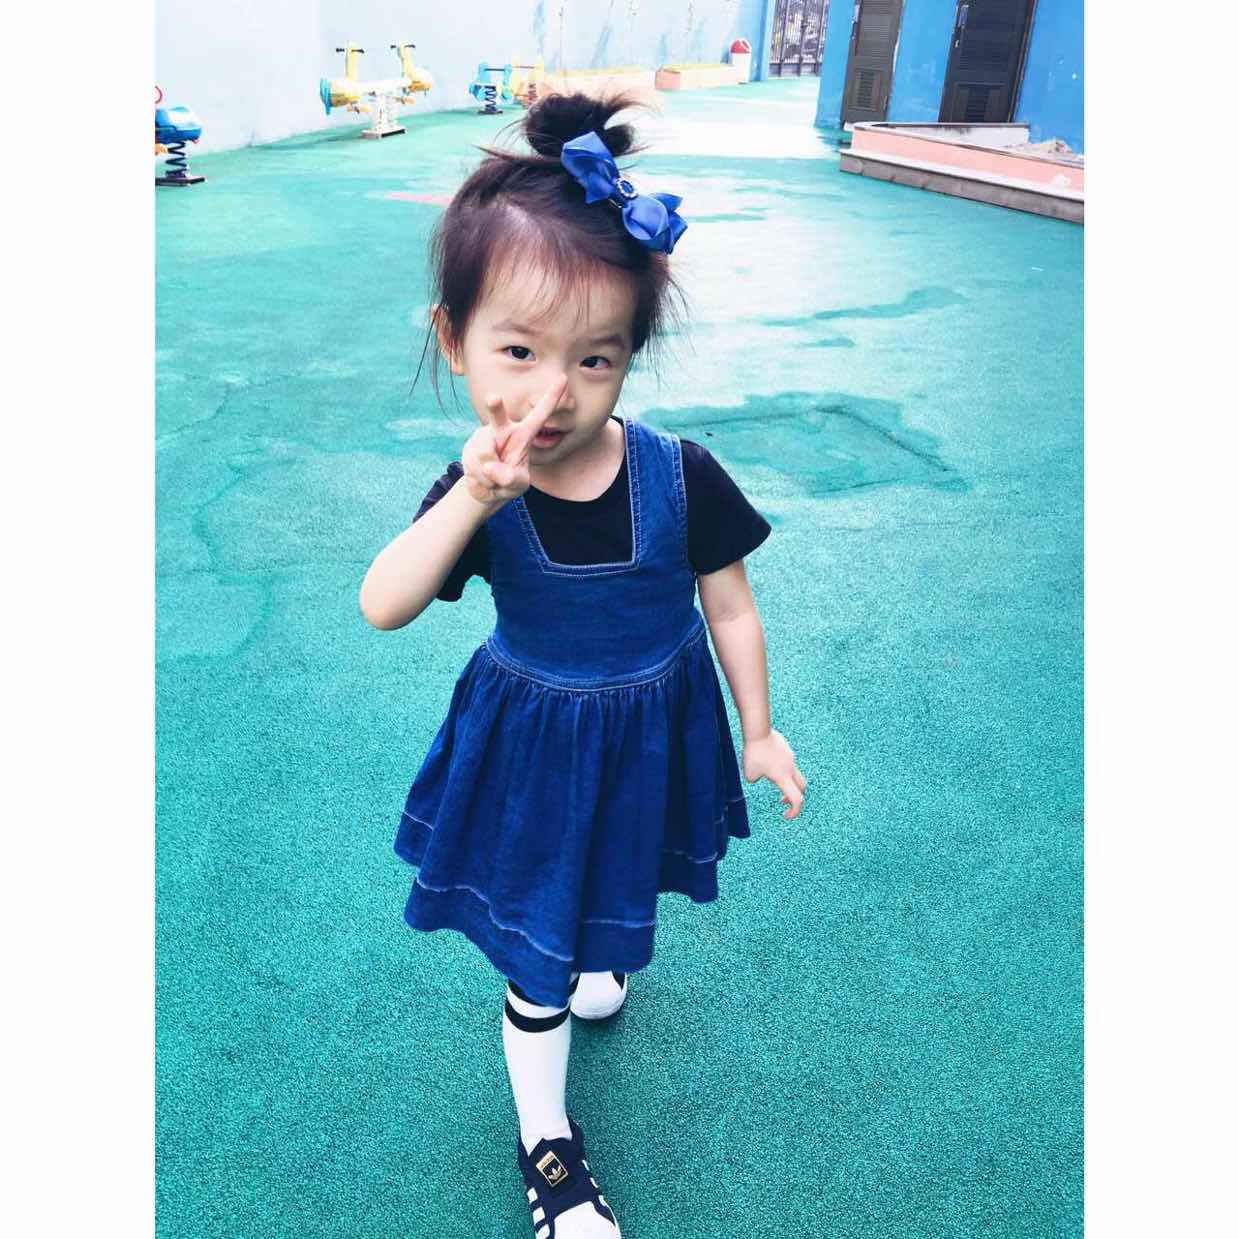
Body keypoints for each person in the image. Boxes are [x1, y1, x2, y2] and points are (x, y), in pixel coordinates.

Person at [360, 90, 807, 1239]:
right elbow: (383, 604)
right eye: (517, 351)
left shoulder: (680, 472)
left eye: (594, 359)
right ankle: (548, 1146)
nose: (551, 395)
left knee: (617, 877)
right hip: (533, 755)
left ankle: (596, 958)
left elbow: (729, 604)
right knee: (537, 963)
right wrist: (470, 500)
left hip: (650, 738)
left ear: (629, 358)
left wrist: (759, 729)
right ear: (454, 338)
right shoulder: (480, 494)